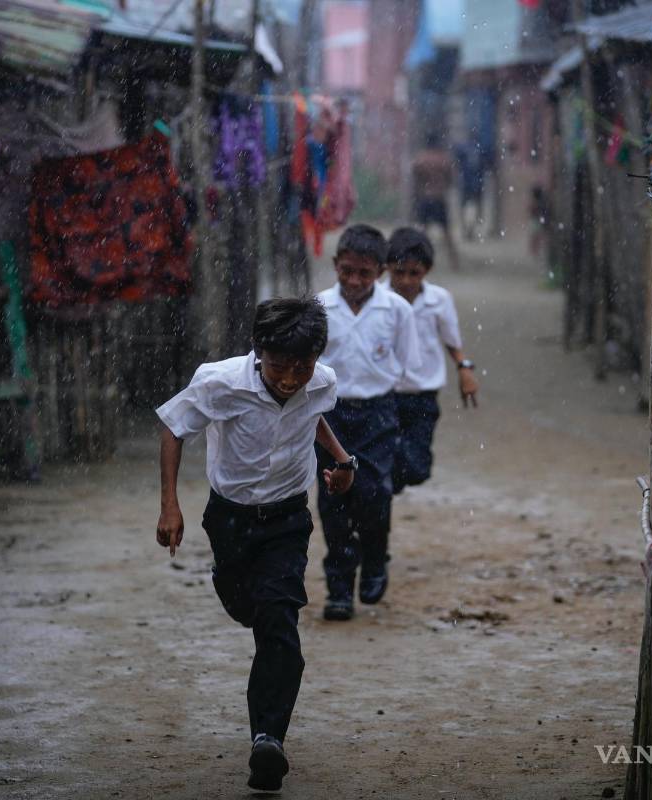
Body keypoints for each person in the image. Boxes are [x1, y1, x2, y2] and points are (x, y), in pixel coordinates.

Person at [154, 298, 355, 792]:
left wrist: (342, 462)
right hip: (231, 519)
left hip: (287, 519)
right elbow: (174, 429)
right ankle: (252, 611)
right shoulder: (219, 383)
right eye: (280, 367)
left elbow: (315, 414)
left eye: (302, 367)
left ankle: (268, 737)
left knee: (278, 619)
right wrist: (169, 505)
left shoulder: (321, 380)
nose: (291, 379)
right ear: (259, 352)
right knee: (246, 605)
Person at [315, 224, 419, 621]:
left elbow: (403, 361)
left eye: (364, 273)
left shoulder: (397, 311)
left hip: (378, 411)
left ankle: (375, 557)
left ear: (380, 272)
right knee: (333, 499)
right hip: (330, 414)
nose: (354, 281)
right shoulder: (319, 306)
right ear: (335, 265)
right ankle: (339, 586)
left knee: (374, 493)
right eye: (347, 271)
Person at [385, 227, 479, 495]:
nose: (405, 280)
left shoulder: (439, 301)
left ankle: (389, 482)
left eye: (414, 273)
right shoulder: (378, 301)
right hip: (385, 394)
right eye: (399, 272)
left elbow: (453, 342)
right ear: (387, 267)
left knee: (417, 468)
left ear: (427, 270)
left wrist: (465, 370)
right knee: (384, 459)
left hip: (423, 394)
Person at [410, 132, 461, 270]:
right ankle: (454, 263)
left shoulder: (420, 159)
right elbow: (451, 180)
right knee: (447, 233)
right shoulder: (444, 160)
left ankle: (416, 261)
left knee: (422, 233)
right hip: (439, 198)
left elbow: (415, 181)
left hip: (425, 199)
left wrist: (417, 197)